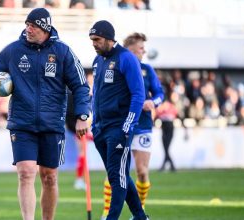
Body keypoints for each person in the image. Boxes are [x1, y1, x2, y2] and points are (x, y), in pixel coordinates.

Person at [0, 8, 91, 220]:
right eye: (27, 24)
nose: (28, 29)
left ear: (45, 29)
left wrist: (82, 115)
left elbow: (81, 87)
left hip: (52, 124)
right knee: (26, 172)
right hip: (22, 123)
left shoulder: (63, 52)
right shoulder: (13, 50)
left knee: (49, 177)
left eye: (33, 26)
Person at [89, 20, 149, 220]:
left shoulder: (126, 58)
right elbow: (96, 94)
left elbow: (138, 94)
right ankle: (140, 217)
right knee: (120, 175)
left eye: (97, 39)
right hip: (100, 129)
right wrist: (94, 122)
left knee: (116, 176)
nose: (94, 43)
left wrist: (128, 125)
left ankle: (111, 218)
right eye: (92, 40)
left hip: (119, 127)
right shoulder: (98, 62)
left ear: (108, 38)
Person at [100, 32, 164, 218]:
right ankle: (106, 212)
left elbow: (159, 93)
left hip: (142, 125)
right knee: (115, 171)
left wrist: (154, 102)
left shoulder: (147, 70)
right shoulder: (117, 67)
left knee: (142, 172)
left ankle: (139, 211)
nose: (144, 51)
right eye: (141, 48)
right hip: (120, 125)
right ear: (130, 50)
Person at [157, 92, 178, 172]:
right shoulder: (162, 108)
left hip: (169, 129)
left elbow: (175, 114)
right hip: (164, 129)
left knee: (166, 148)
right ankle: (171, 166)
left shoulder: (170, 107)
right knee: (166, 148)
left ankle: (168, 166)